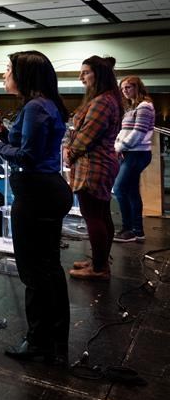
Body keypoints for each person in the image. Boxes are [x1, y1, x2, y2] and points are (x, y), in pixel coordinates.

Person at [0, 50, 73, 366]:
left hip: (37, 195)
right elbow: (34, 149)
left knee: (35, 272)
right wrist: (2, 132)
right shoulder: (45, 104)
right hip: (46, 191)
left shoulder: (34, 107)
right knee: (48, 269)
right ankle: (53, 339)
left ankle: (40, 341)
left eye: (7, 69)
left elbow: (27, 157)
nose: (4, 74)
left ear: (24, 75)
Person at [64, 56, 122, 282]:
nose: (81, 77)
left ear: (99, 74)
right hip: (99, 163)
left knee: (93, 217)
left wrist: (69, 152)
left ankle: (98, 269)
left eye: (86, 72)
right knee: (102, 215)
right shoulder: (107, 98)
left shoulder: (103, 102)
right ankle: (100, 261)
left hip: (93, 166)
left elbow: (86, 136)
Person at [113, 75, 155, 243]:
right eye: (123, 88)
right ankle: (136, 230)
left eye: (128, 87)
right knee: (131, 192)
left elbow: (138, 133)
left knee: (119, 189)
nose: (125, 91)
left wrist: (119, 147)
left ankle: (128, 228)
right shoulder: (131, 108)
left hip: (137, 153)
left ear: (137, 87)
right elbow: (125, 132)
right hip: (129, 152)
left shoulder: (144, 106)